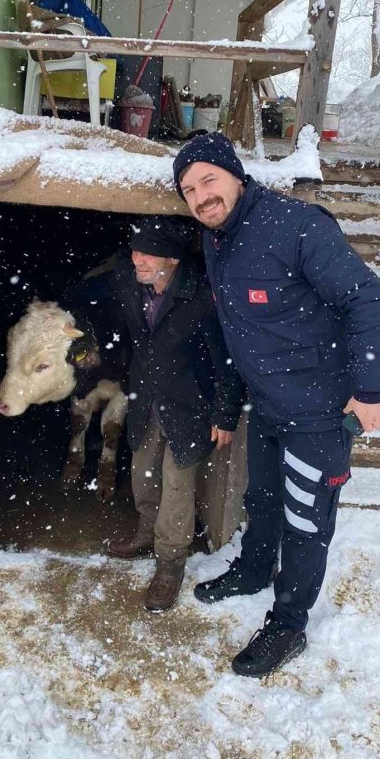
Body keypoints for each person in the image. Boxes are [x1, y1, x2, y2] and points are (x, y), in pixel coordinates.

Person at [173, 132, 380, 677]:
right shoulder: (217, 237)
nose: (201, 197)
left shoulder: (296, 226)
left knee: (305, 519)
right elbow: (236, 330)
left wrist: (368, 391)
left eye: (209, 181)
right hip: (269, 407)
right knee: (264, 498)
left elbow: (369, 298)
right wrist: (230, 408)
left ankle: (289, 623)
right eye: (188, 190)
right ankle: (252, 570)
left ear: (236, 177)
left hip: (319, 413)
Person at [107, 215, 244, 612]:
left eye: (150, 253)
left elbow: (227, 362)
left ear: (175, 259)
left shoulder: (201, 296)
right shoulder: (132, 286)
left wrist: (225, 414)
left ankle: (170, 562)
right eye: (136, 250)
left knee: (177, 485)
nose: (139, 260)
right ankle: (145, 532)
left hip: (189, 406)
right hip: (147, 399)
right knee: (143, 473)